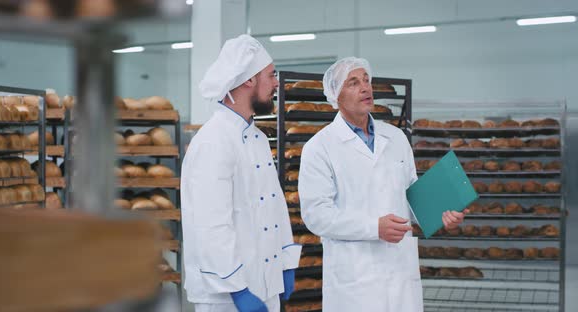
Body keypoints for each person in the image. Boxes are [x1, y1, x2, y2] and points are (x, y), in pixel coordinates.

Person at [298, 57, 468, 312]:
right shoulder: (319, 147)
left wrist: (440, 213)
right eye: (354, 83)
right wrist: (373, 227)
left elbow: (410, 197)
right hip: (355, 281)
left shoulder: (396, 137)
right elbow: (317, 216)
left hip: (400, 273)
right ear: (336, 96)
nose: (366, 88)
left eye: (367, 80)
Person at [181, 34, 301, 312]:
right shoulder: (213, 142)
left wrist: (285, 263)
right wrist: (237, 291)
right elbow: (211, 225)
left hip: (264, 285)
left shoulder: (256, 137)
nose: (276, 83)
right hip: (226, 295)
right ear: (249, 80)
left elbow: (274, 205)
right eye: (271, 76)